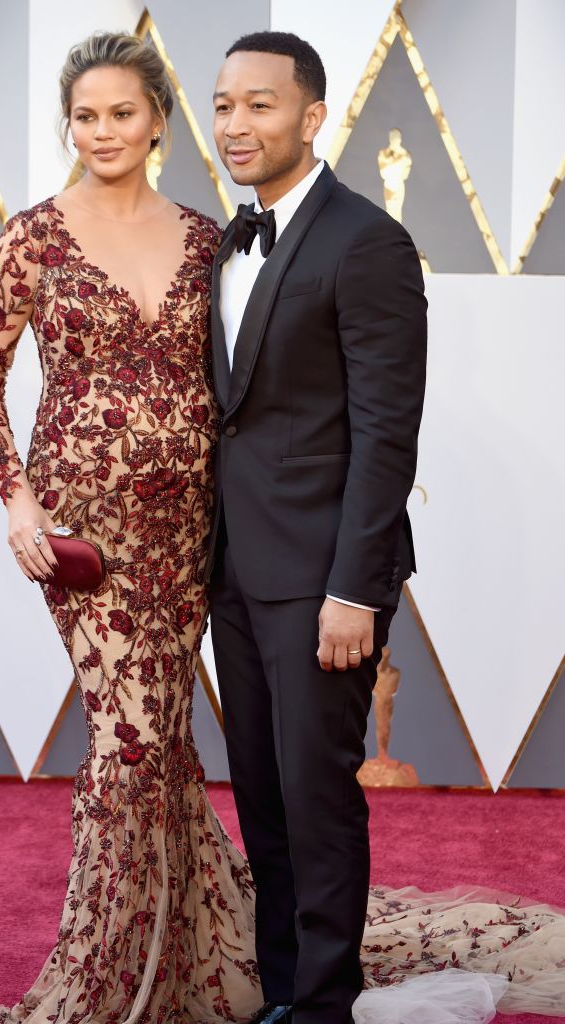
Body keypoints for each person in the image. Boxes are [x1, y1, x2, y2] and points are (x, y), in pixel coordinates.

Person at [207, 30, 565, 1024]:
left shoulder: (364, 240)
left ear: (311, 116)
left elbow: (383, 431)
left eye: (260, 105)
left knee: (316, 799)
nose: (236, 124)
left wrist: (354, 588)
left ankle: (320, 1006)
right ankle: (281, 992)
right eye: (224, 104)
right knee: (265, 801)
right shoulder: (226, 242)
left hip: (324, 575)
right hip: (232, 570)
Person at [0, 31, 262, 1024]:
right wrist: (17, 497)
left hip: (186, 531)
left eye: (120, 114)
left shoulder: (206, 234)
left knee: (161, 739)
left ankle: (190, 960)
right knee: (127, 740)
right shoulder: (34, 235)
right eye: (84, 116)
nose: (101, 132)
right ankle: (106, 981)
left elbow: (233, 381)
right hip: (81, 531)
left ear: (159, 121)